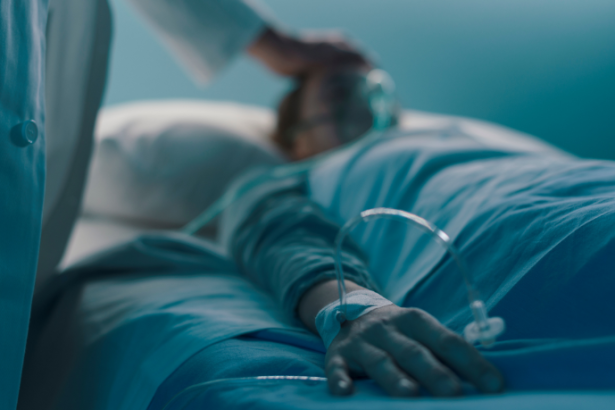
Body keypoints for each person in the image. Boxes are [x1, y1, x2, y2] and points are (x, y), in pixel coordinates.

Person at [1, 1, 370, 409]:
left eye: (367, 91)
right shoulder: (278, 177)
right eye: (336, 92)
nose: (356, 99)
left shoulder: (409, 143)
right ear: (295, 134)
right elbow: (278, 221)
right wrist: (353, 306)